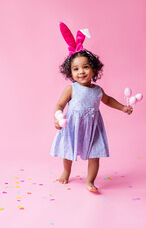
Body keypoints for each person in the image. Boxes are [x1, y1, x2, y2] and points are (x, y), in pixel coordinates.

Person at [50, 22, 133, 192]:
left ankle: (90, 181)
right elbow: (59, 104)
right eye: (76, 69)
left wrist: (123, 107)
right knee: (68, 151)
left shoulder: (97, 90)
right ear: (70, 72)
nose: (81, 71)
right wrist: (57, 116)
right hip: (72, 126)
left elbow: (108, 100)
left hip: (93, 128)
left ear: (94, 70)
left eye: (85, 67)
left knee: (95, 156)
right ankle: (66, 171)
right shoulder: (71, 88)